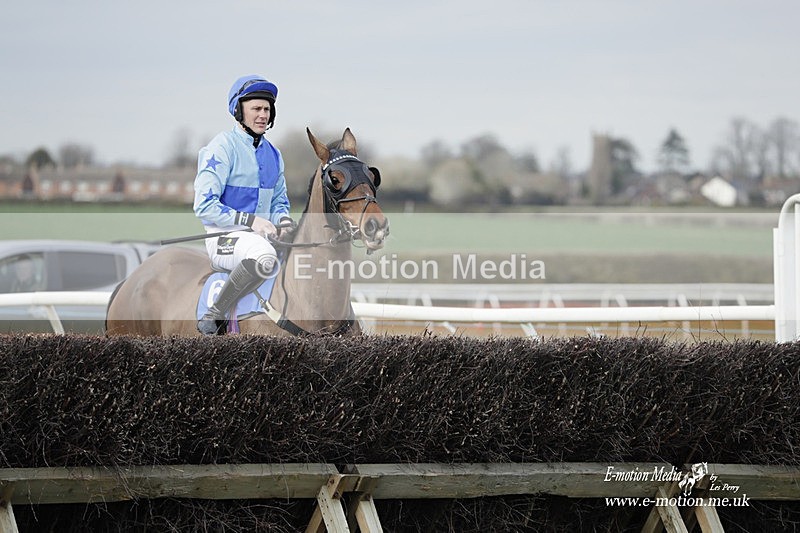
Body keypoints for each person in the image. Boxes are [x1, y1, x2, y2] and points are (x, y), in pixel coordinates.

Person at [193, 74, 295, 335]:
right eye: (256, 109)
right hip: (223, 237)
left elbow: (279, 200)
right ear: (239, 111)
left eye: (267, 109)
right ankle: (214, 315)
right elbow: (204, 205)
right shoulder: (221, 148)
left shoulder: (273, 153)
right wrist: (251, 221)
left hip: (262, 237)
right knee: (263, 255)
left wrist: (283, 222)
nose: (263, 115)